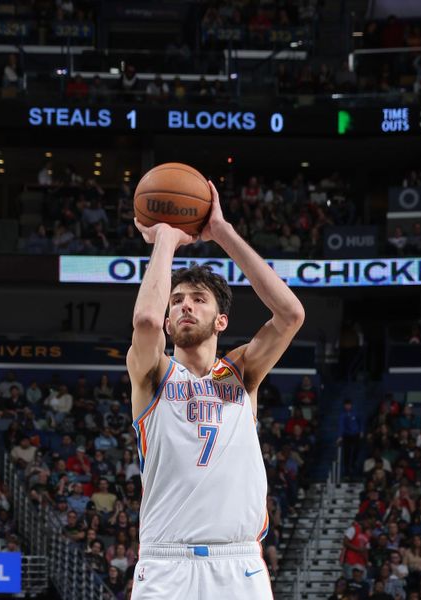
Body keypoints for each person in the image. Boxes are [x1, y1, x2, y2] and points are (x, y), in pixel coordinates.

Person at [127, 180, 305, 600]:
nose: (185, 305)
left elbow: (291, 313)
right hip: (166, 562)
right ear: (170, 320)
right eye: (177, 300)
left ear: (221, 320)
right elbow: (146, 324)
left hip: (237, 563)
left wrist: (221, 230)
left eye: (198, 299)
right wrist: (166, 240)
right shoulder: (153, 373)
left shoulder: (240, 374)